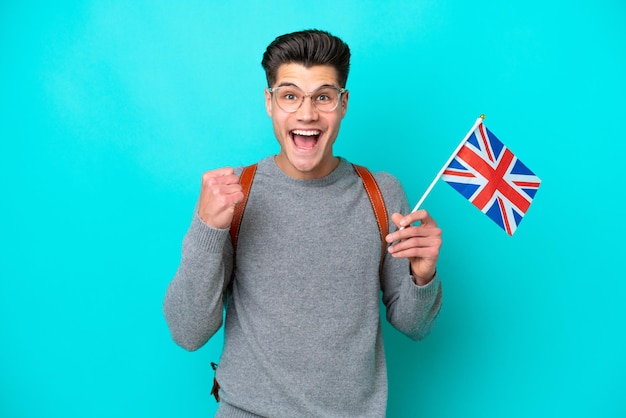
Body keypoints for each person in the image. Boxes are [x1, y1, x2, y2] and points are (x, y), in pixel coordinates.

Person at [163, 29, 443, 417]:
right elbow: (187, 331)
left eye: (323, 97)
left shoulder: (381, 194)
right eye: (290, 96)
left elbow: (415, 326)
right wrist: (207, 229)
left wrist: (423, 277)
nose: (307, 113)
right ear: (269, 102)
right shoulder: (236, 195)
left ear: (343, 104)